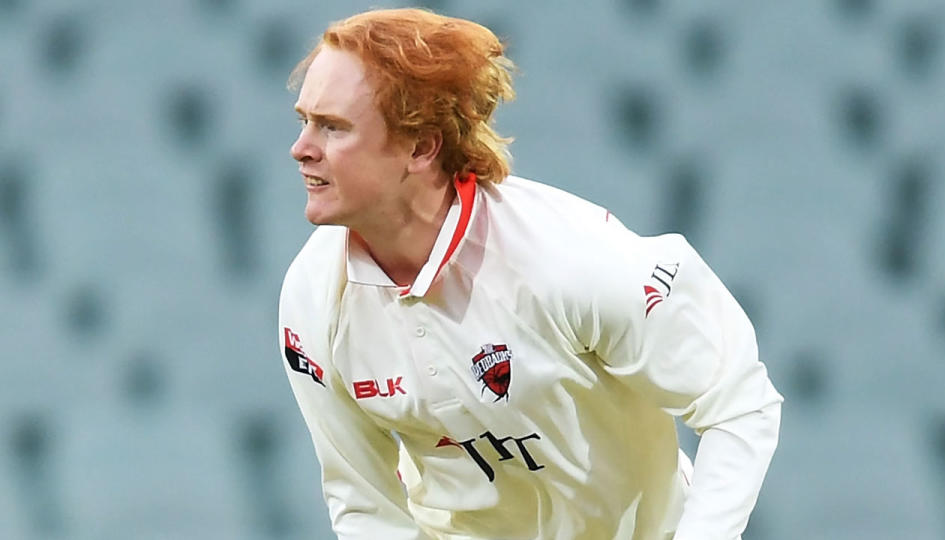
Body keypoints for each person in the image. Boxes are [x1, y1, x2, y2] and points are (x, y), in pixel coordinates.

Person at [278, 8, 782, 540]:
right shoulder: (313, 294)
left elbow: (739, 403)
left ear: (421, 147)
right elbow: (363, 505)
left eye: (333, 127)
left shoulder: (573, 257)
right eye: (304, 121)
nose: (301, 149)